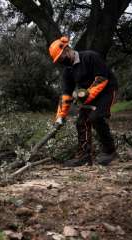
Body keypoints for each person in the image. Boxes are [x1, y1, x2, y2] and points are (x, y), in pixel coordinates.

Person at [49, 36, 119, 166]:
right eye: (59, 60)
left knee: (96, 117)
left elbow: (101, 79)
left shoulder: (90, 57)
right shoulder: (68, 71)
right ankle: (84, 155)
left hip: (107, 90)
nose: (62, 61)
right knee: (81, 122)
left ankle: (110, 151)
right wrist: (60, 117)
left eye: (62, 57)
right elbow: (66, 96)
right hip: (88, 95)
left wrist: (86, 96)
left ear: (67, 49)